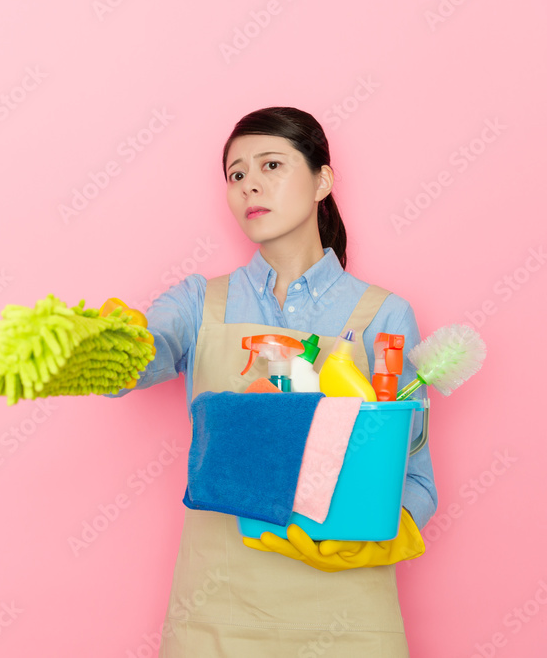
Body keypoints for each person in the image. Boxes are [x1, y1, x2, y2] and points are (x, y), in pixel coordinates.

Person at [106, 107, 437, 656]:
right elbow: (139, 358)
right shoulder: (198, 303)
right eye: (236, 174)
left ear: (322, 181)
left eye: (272, 165)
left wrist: (379, 532)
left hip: (347, 611)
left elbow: (416, 480)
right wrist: (101, 345)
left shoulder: (383, 316)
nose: (249, 184)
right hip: (218, 612)